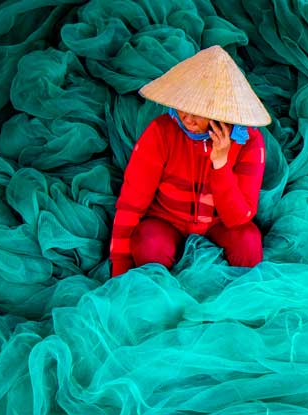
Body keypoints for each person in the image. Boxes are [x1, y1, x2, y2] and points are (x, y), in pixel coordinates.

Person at [109, 46, 272, 277]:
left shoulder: (249, 141)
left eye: (198, 110)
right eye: (183, 106)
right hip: (166, 219)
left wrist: (221, 165)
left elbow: (239, 218)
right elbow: (130, 205)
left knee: (249, 244)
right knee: (149, 245)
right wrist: (119, 267)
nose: (187, 117)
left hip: (221, 222)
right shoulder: (160, 132)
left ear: (221, 111)